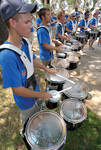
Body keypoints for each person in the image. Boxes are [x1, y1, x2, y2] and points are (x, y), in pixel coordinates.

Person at [0, 0, 56, 126]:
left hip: (35, 91)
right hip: (26, 103)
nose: (31, 25)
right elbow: (18, 90)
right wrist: (42, 94)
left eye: (30, 21)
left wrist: (46, 69)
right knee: (30, 126)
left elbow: (30, 61)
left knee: (39, 118)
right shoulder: (7, 55)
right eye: (27, 22)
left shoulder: (24, 42)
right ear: (12, 23)